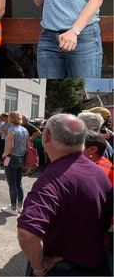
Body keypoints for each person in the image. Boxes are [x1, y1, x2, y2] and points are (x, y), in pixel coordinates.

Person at [17, 114, 112, 276]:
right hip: (98, 265)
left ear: (46, 136)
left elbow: (27, 233)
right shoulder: (100, 172)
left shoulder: (52, 180)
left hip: (62, 269)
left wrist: (39, 268)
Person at [1, 111, 28, 216]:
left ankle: (13, 207)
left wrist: (4, 154)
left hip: (11, 158)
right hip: (21, 158)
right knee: (19, 182)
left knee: (11, 183)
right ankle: (19, 206)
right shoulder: (24, 130)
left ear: (11, 119)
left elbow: (10, 146)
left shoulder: (11, 130)